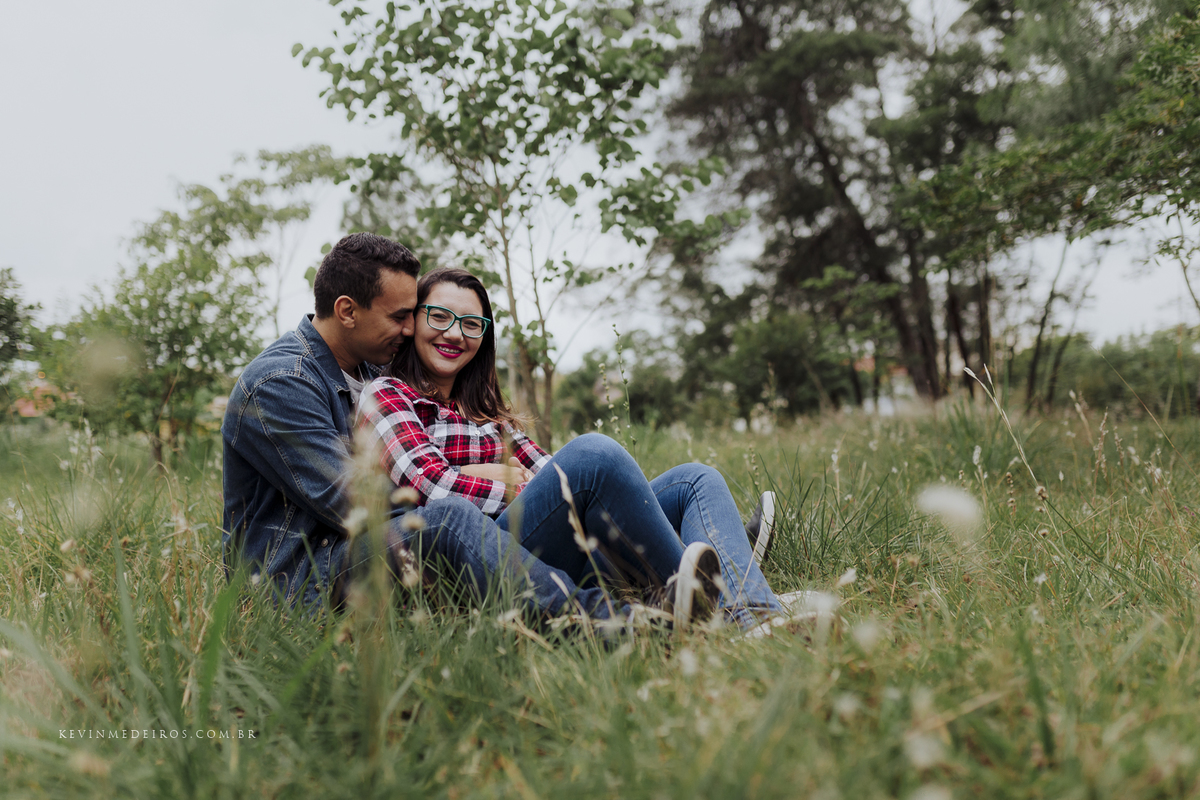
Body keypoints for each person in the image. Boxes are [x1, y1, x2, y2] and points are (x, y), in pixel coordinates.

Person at [221, 233, 713, 628]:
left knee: (689, 480)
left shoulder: (369, 369)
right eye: (400, 317)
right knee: (451, 515)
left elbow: (419, 460)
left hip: (382, 549)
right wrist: (493, 474)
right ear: (348, 311)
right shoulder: (281, 383)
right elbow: (358, 503)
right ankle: (626, 620)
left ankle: (709, 575)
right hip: (307, 578)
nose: (411, 330)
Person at [357, 266, 787, 629]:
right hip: (486, 553)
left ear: (484, 336)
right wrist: (503, 481)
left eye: (471, 324)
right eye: (439, 317)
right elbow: (428, 486)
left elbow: (550, 471)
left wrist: (519, 480)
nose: (455, 333)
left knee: (695, 479)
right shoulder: (389, 394)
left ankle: (749, 596)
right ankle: (732, 603)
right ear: (415, 321)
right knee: (594, 455)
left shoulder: (485, 410)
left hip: (552, 537)